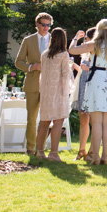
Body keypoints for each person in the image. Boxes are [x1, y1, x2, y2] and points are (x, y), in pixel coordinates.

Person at [69, 18, 107, 165]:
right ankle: (105, 157)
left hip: (96, 82)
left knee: (96, 122)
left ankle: (95, 157)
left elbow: (72, 50)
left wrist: (75, 39)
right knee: (106, 123)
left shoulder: (94, 44)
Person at [15, 12, 53, 154]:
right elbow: (18, 62)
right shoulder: (28, 40)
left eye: (48, 25)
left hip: (49, 83)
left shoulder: (54, 40)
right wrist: (31, 67)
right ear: (37, 25)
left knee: (46, 118)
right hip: (32, 83)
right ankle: (30, 148)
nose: (45, 28)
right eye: (43, 25)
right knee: (31, 119)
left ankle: (41, 148)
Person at [36, 28, 72, 162]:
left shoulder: (45, 54)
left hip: (45, 92)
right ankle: (53, 153)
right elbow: (65, 74)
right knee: (58, 122)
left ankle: (39, 151)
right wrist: (66, 91)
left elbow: (42, 74)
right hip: (58, 92)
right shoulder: (63, 54)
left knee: (44, 122)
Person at [70, 27, 96, 160]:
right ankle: (81, 150)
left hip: (91, 89)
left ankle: (92, 151)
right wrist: (74, 66)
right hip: (82, 88)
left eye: (86, 38)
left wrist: (75, 39)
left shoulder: (97, 52)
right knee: (83, 120)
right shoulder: (86, 54)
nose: (84, 40)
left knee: (93, 121)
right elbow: (82, 70)